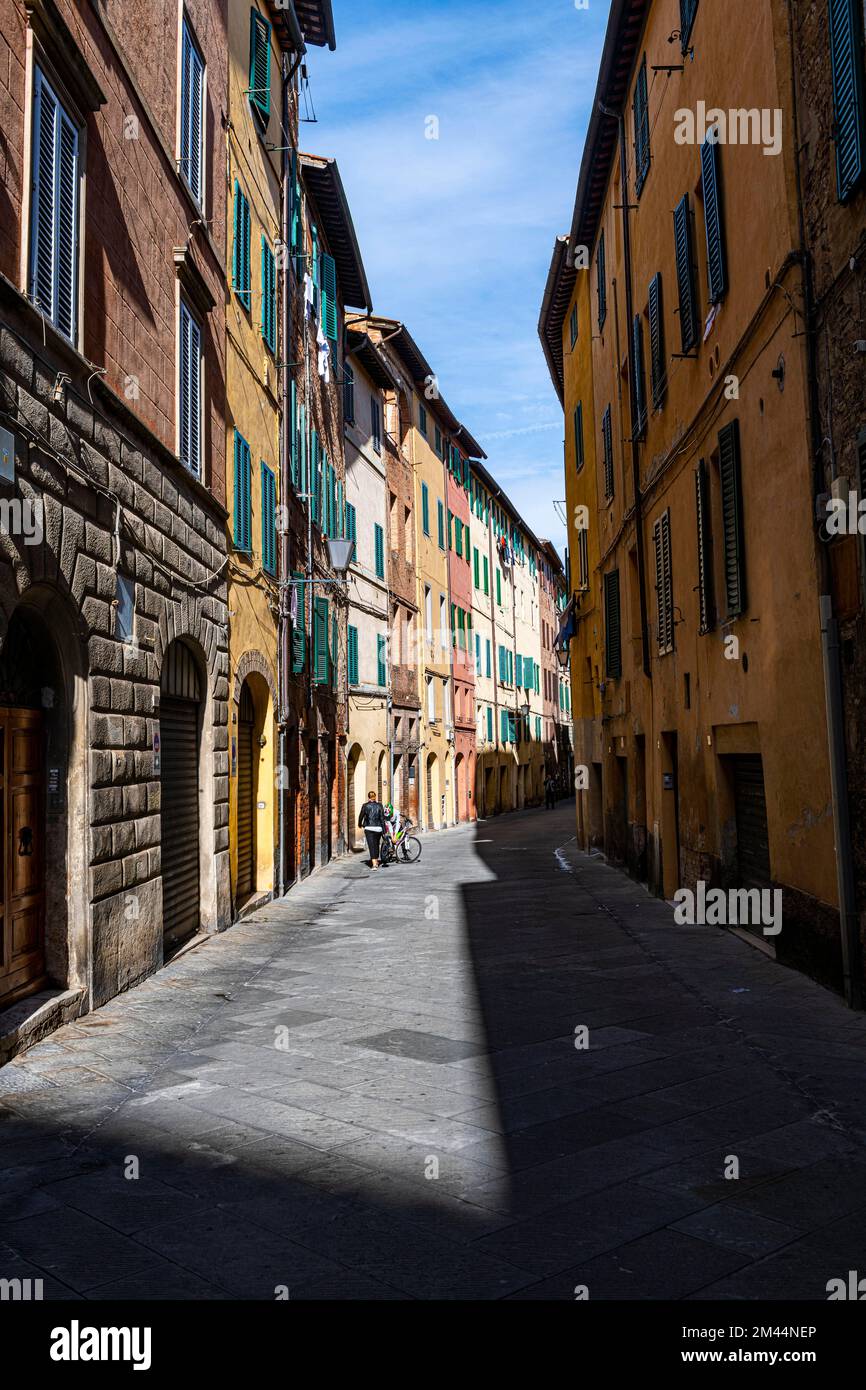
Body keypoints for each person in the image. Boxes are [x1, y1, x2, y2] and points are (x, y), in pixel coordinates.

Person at [358, 791, 386, 869]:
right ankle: (376, 860)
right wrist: (384, 830)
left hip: (368, 828)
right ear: (375, 797)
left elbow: (361, 816)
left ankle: (374, 864)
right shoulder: (380, 805)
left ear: (368, 797)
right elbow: (382, 818)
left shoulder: (365, 806)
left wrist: (359, 824)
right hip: (378, 828)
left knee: (371, 846)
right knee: (376, 844)